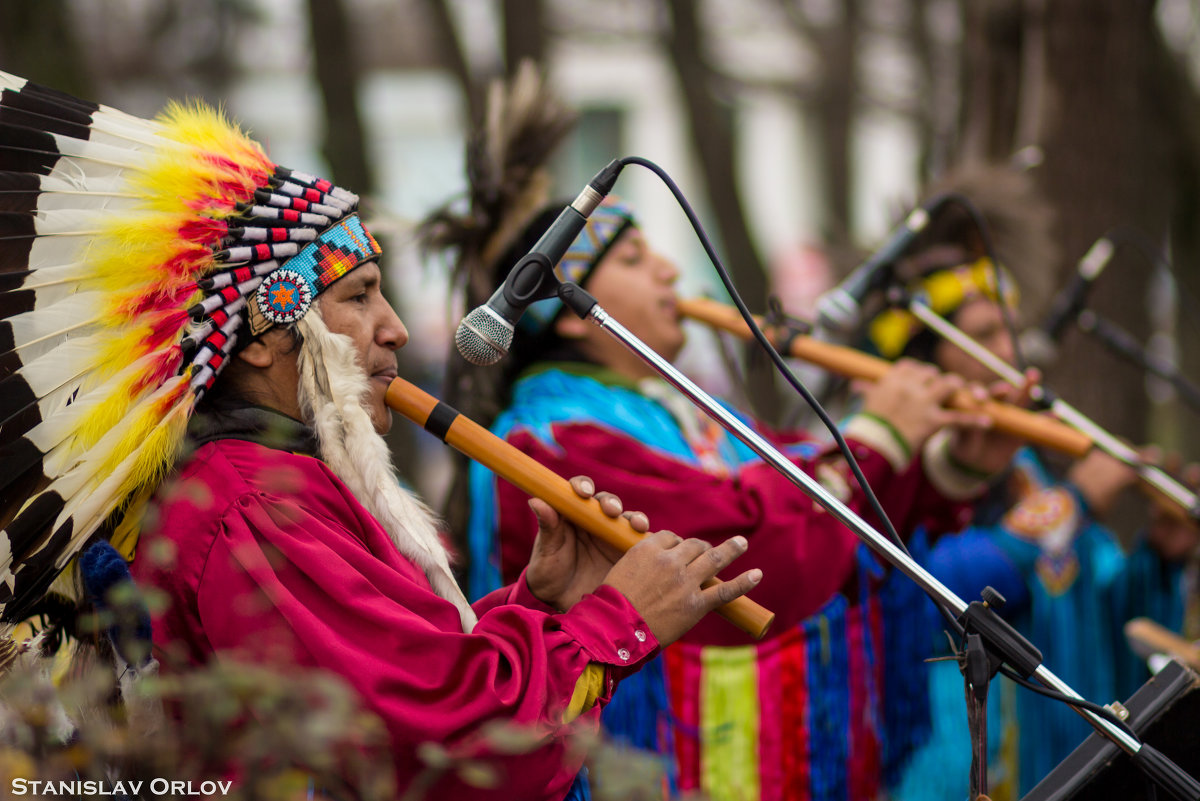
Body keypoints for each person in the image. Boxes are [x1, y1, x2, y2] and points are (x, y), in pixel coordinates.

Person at [0, 72, 762, 801]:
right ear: (264, 334)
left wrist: (546, 602)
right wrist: (613, 624)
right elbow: (431, 743)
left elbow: (414, 669)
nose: (394, 327)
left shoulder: (281, 481)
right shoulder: (252, 506)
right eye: (360, 296)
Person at [425, 83, 1030, 794]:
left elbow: (820, 493)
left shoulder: (680, 413)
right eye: (633, 258)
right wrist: (878, 432)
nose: (671, 271)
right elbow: (739, 532)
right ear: (567, 312)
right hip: (658, 765)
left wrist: (949, 462)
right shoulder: (548, 438)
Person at [869, 169, 1197, 798]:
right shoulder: (894, 463)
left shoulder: (1025, 468)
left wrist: (1160, 553)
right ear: (923, 352)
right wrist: (1075, 503)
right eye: (987, 334)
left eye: (1011, 330)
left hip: (1054, 762)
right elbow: (918, 596)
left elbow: (1098, 615)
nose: (1016, 353)